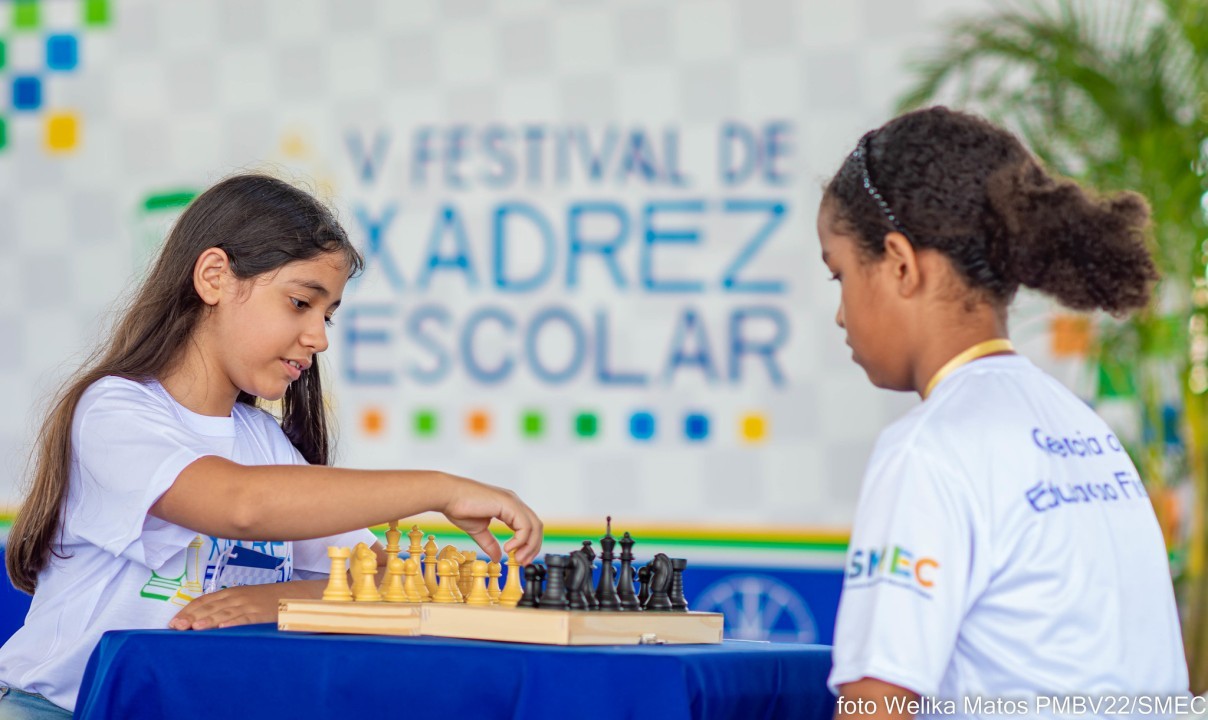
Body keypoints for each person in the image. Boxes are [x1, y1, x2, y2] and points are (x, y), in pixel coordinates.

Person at [0, 174, 544, 719]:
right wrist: (440, 490)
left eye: (326, 315)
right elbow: (240, 506)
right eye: (300, 303)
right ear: (214, 277)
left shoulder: (264, 442)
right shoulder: (114, 411)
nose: (319, 337)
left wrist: (275, 601)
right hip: (58, 709)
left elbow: (383, 576)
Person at [819, 107, 1188, 715]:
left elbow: (874, 706)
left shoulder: (927, 451)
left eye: (840, 277)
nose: (839, 313)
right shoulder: (1083, 430)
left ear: (900, 263)